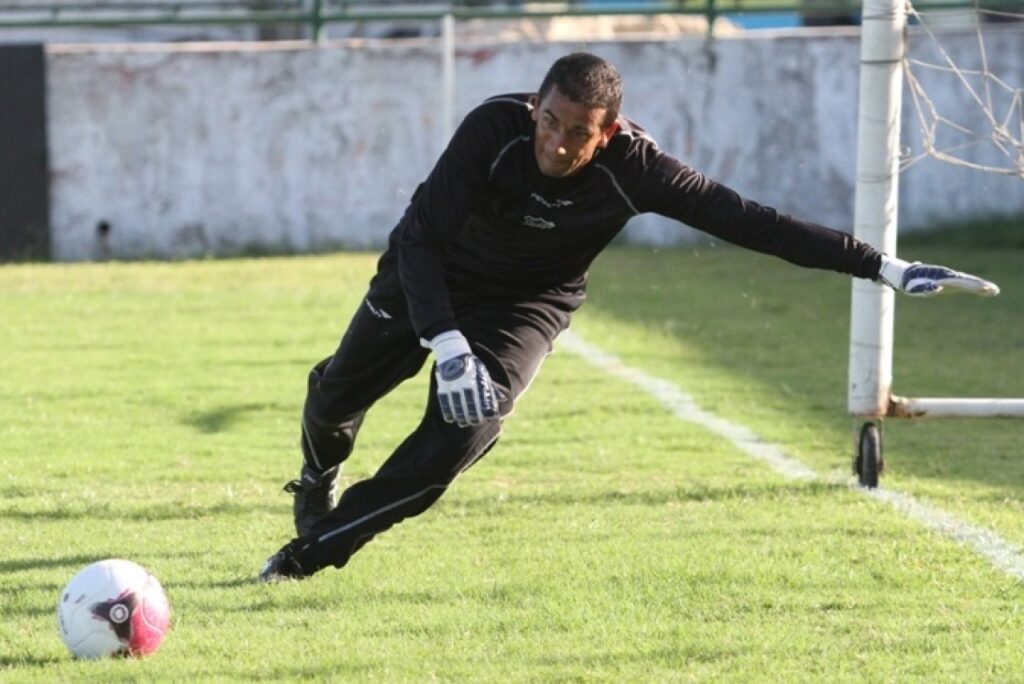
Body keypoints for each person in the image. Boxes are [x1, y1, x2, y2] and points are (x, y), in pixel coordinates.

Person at [259, 52, 999, 582]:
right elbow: (419, 237)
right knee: (335, 397)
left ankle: (312, 553)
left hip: (526, 304)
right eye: (549, 121)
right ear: (534, 108)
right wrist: (446, 339)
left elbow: (755, 223)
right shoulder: (494, 130)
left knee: (467, 432)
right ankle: (317, 476)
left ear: (605, 132)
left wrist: (884, 267)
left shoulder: (638, 168)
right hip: (433, 272)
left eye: (576, 132)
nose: (556, 142)